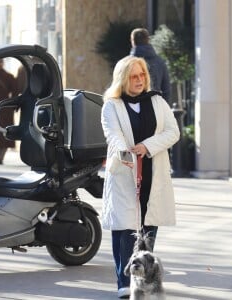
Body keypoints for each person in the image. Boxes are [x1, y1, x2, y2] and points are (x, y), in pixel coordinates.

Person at [101, 55, 180, 298]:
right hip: (126, 174)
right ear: (123, 79)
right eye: (134, 76)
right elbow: (112, 133)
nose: (139, 80)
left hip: (152, 176)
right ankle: (125, 286)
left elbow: (172, 131)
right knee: (125, 232)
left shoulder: (157, 101)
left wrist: (147, 146)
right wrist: (125, 152)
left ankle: (144, 284)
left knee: (148, 231)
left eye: (142, 75)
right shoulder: (111, 105)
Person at [130, 28, 171, 102]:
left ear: (133, 41)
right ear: (148, 40)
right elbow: (166, 90)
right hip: (155, 106)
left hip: (133, 107)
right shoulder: (160, 62)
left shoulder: (127, 63)